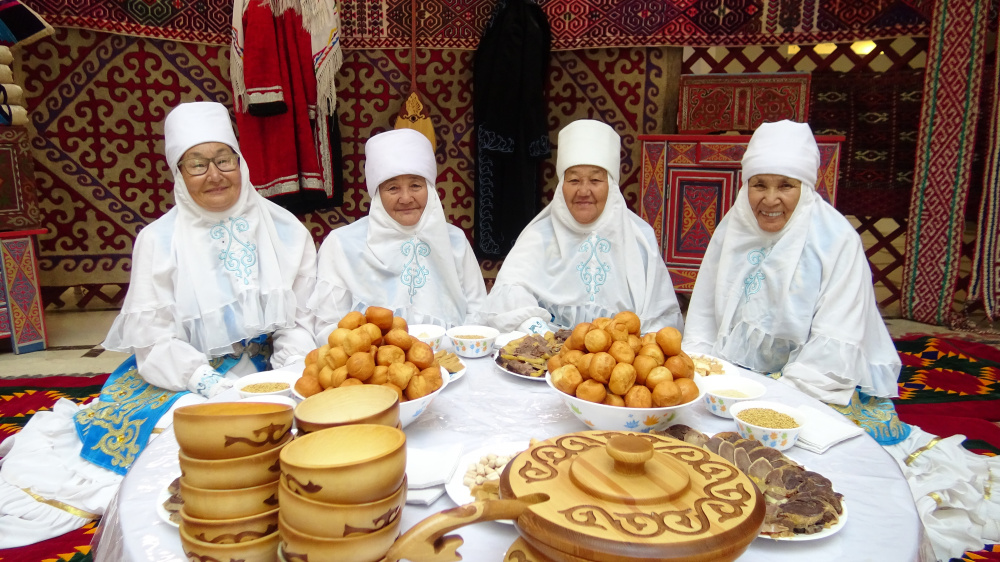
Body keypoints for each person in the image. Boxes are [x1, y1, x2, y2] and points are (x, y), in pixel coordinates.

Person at [0, 101, 318, 547]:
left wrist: (289, 372)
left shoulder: (286, 230)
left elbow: (300, 317)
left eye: (224, 159)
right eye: (197, 164)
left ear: (240, 162)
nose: (215, 175)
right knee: (183, 448)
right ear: (179, 173)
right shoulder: (158, 240)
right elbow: (153, 341)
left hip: (269, 369)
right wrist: (206, 381)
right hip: (184, 375)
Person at [682, 119, 999, 561]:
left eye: (785, 186)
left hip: (811, 383)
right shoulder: (730, 230)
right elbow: (702, 318)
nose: (769, 200)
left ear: (806, 187)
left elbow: (836, 337)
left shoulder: (835, 241)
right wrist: (708, 376)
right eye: (759, 185)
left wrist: (775, 399)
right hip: (737, 379)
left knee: (811, 474)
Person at [482, 119, 684, 335]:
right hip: (545, 357)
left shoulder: (640, 240)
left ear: (612, 186)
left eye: (595, 180)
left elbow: (662, 319)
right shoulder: (537, 237)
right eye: (574, 180)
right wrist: (543, 336)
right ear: (561, 186)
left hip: (619, 361)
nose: (584, 191)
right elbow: (508, 296)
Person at [310, 128, 487, 341]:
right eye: (392, 188)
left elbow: (478, 315)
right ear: (376, 194)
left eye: (415, 185)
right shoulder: (341, 245)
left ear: (430, 189)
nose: (406, 198)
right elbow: (327, 329)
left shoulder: (455, 241)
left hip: (451, 364)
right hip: (372, 368)